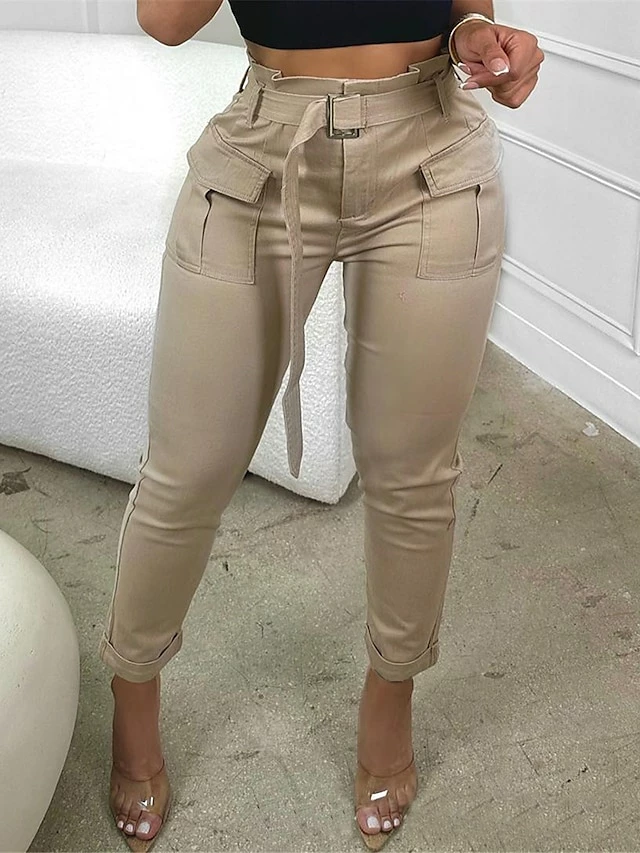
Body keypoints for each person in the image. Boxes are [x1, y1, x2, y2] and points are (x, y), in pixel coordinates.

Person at [99, 1, 544, 850]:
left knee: (413, 472)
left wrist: (478, 40)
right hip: (265, 154)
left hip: (430, 150)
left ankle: (391, 694)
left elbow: (467, 6)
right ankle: (133, 688)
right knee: (188, 469)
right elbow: (164, 19)